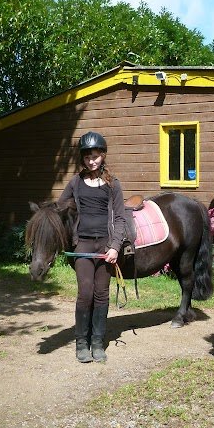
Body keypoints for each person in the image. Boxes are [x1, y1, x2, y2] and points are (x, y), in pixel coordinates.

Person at [58, 131, 129, 363]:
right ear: (82, 158)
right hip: (84, 245)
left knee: (101, 294)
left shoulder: (113, 184)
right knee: (85, 293)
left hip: (105, 245)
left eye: (95, 156)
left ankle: (98, 342)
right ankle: (81, 343)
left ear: (103, 156)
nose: (91, 161)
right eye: (87, 157)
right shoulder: (75, 183)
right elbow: (61, 209)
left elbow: (120, 218)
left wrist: (115, 246)